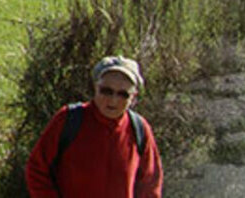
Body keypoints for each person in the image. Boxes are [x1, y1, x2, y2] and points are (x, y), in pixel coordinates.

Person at [23, 56, 163, 198]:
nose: (113, 100)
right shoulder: (69, 120)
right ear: (95, 87)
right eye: (106, 91)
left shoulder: (139, 129)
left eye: (123, 94)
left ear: (133, 97)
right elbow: (36, 170)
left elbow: (150, 185)